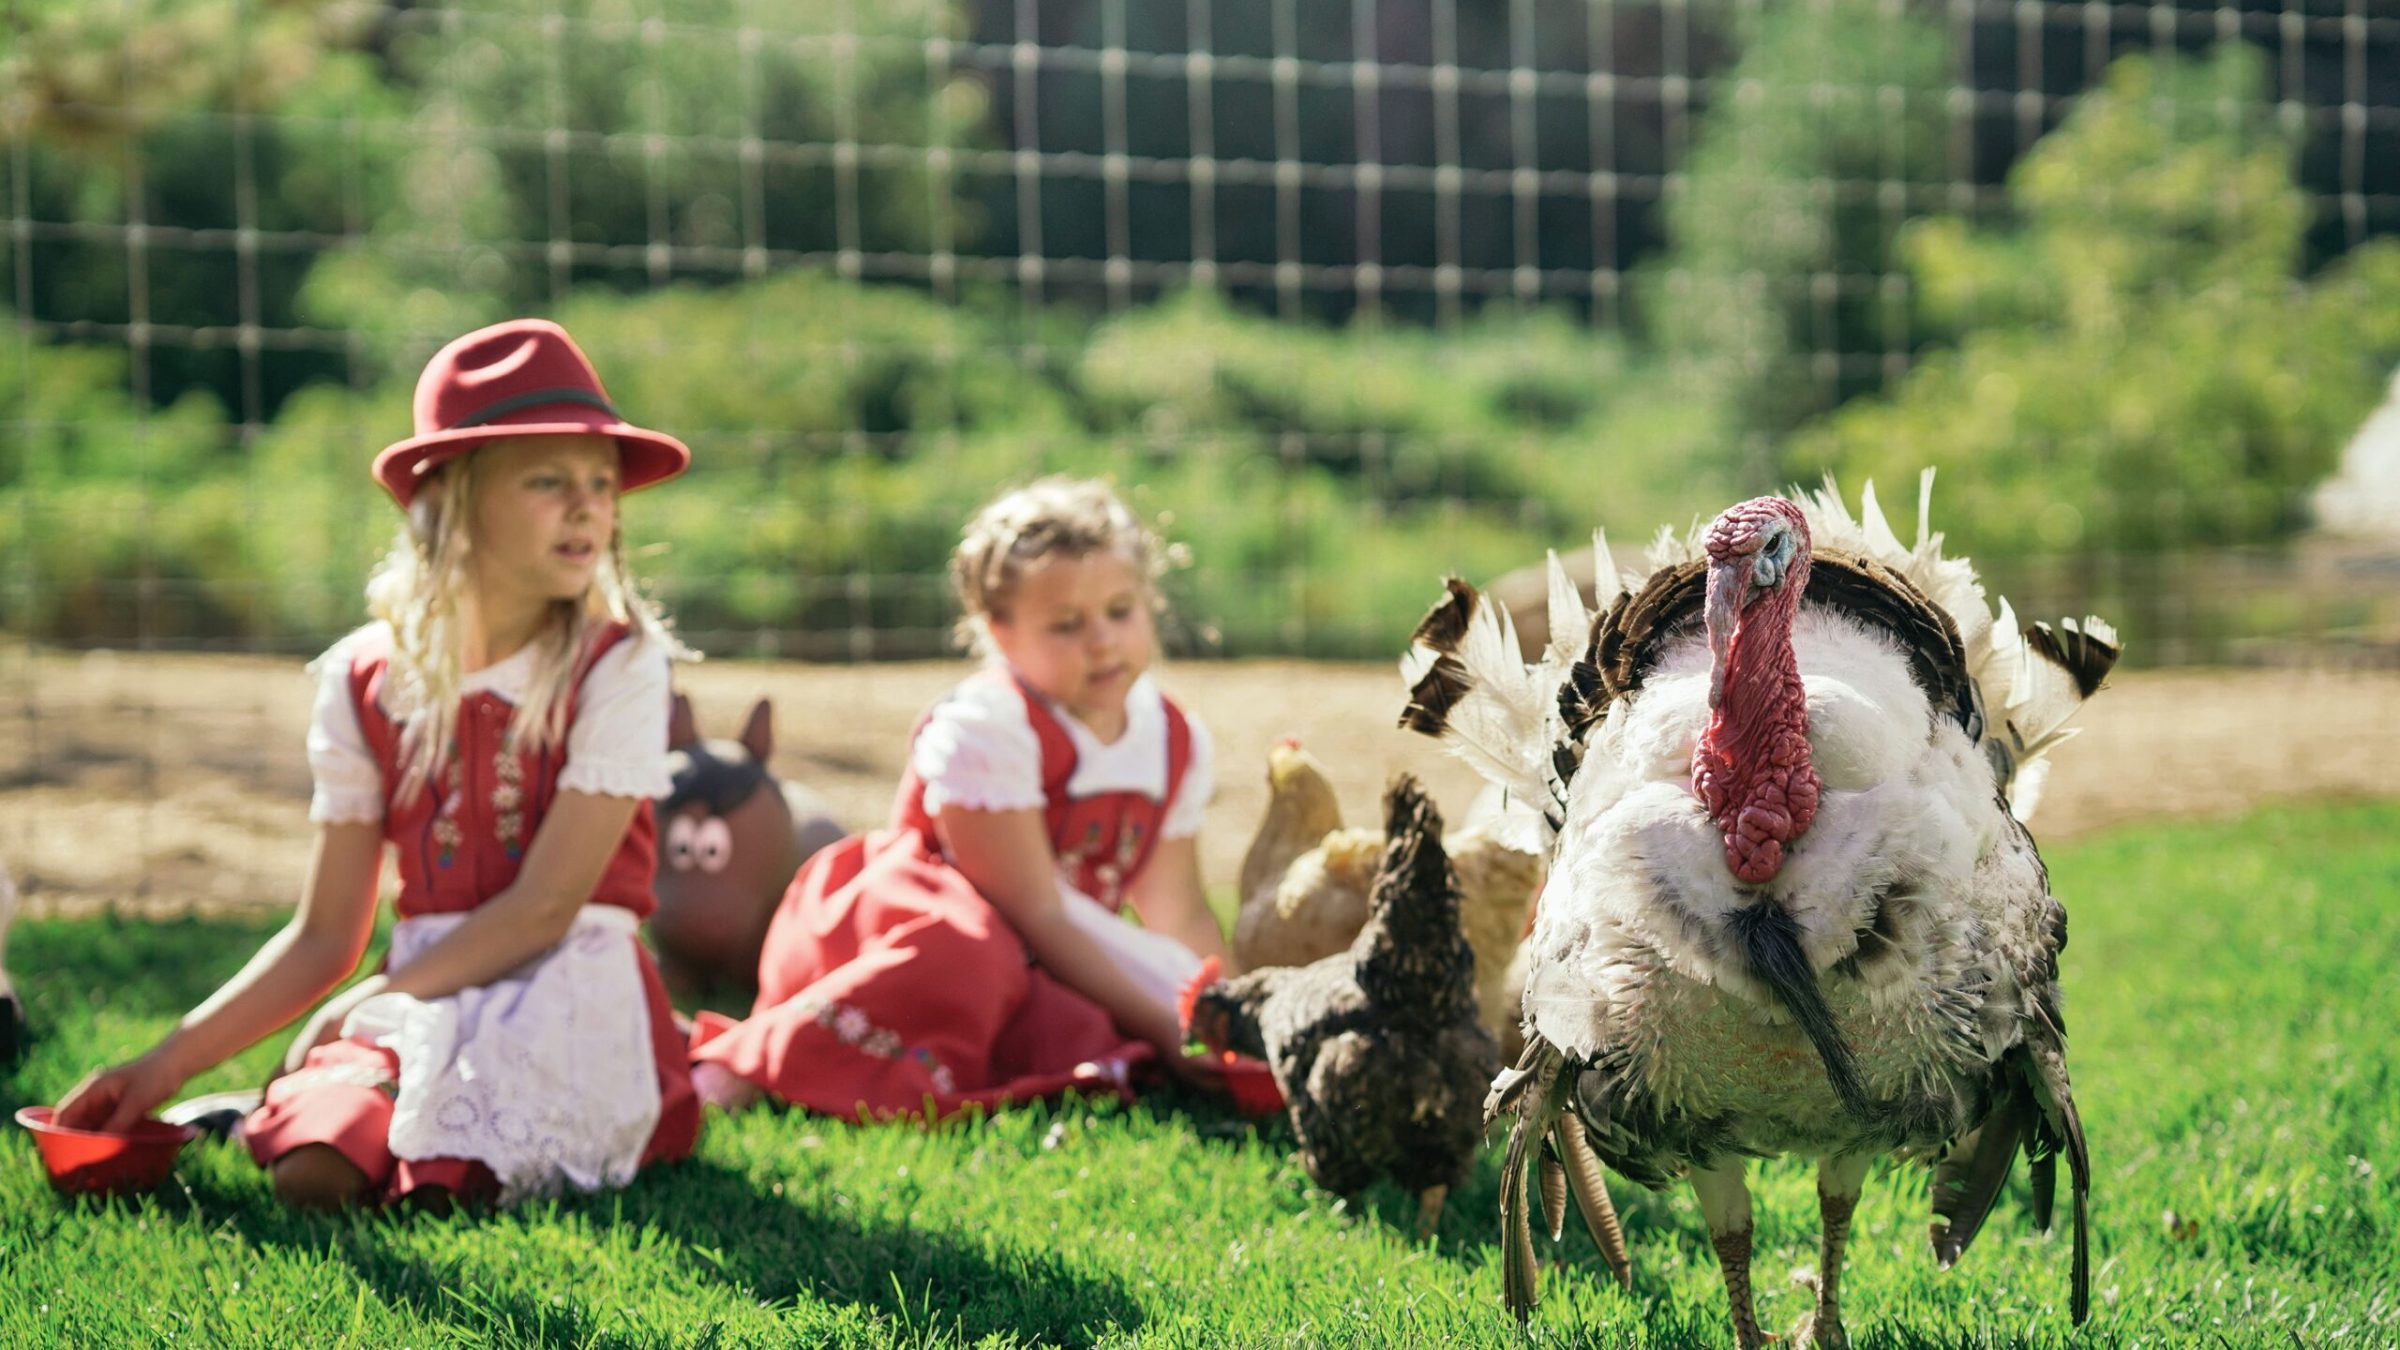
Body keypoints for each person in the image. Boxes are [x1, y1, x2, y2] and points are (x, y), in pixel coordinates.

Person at [56, 318, 700, 1208]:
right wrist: (161, 1065)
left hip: (564, 987)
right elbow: (327, 935)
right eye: (548, 481)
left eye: (601, 482)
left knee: (430, 1178)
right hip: (418, 992)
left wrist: (368, 1002)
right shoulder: (365, 678)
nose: (590, 505)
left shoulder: (619, 663)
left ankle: (304, 1108)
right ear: (449, 500)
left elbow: (544, 908)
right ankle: (278, 1109)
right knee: (316, 1171)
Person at [691, 478, 1232, 1118]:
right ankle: (751, 1064)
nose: (1102, 641)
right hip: (925, 932)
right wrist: (1175, 1028)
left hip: (1055, 958)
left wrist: (1229, 1009)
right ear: (999, 633)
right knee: (974, 952)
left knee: (1085, 1008)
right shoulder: (990, 727)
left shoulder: (1168, 740)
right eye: (1066, 625)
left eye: (1121, 612)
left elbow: (1178, 910)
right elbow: (1035, 912)